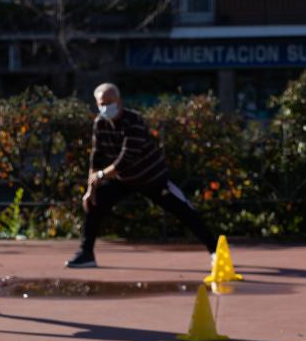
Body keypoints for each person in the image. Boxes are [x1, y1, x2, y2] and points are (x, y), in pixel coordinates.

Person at [65, 83, 218, 269]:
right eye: (101, 104)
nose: (105, 107)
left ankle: (216, 251)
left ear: (119, 101)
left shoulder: (134, 120)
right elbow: (96, 157)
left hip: (152, 178)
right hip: (123, 180)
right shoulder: (99, 123)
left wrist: (101, 174)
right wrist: (90, 190)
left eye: (110, 102)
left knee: (184, 211)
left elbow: (127, 157)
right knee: (94, 203)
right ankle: (86, 253)